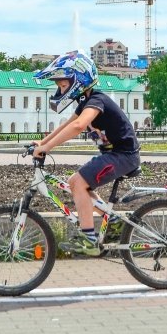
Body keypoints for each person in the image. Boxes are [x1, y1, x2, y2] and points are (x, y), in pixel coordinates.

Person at [32, 51, 140, 256]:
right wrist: (42, 142)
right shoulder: (84, 102)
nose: (60, 90)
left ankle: (89, 240)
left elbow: (78, 126)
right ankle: (114, 222)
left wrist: (47, 148)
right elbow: (68, 124)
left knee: (79, 183)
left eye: (63, 85)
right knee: (75, 182)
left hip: (124, 155)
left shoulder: (96, 100)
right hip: (115, 155)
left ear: (78, 81)